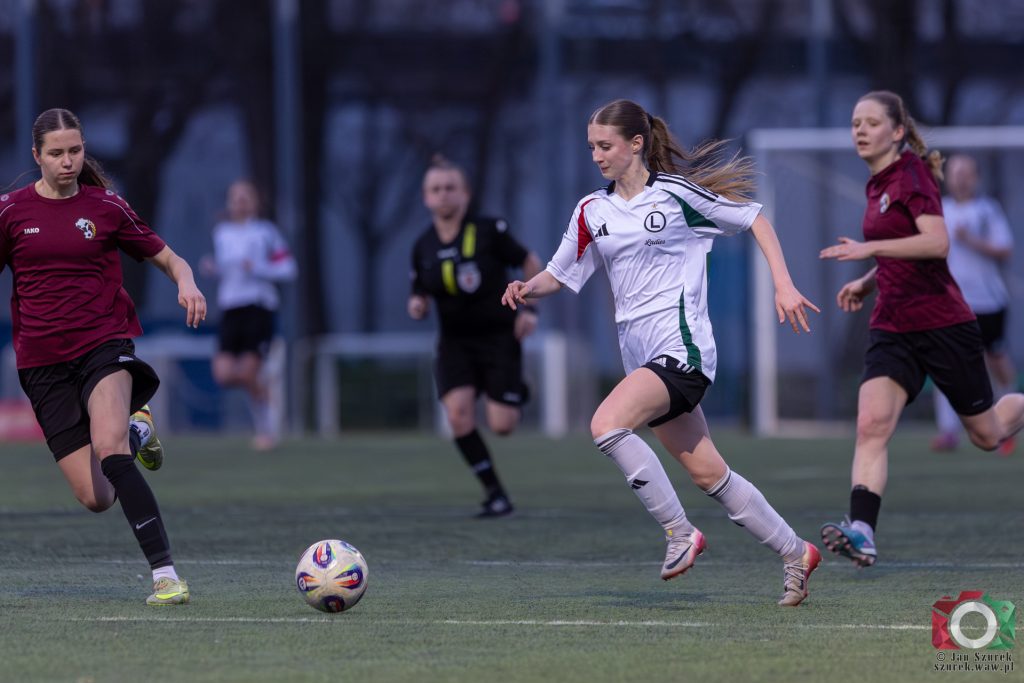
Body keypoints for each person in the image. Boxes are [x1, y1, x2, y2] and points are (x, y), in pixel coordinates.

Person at [501, 99, 822, 606]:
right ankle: (796, 552)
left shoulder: (675, 195)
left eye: (605, 146)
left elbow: (754, 218)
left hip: (683, 351)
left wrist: (783, 285)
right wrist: (526, 288)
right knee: (709, 474)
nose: (596, 156)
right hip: (643, 361)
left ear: (636, 143)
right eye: (591, 147)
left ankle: (680, 532)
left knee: (606, 424)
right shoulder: (592, 210)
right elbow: (559, 273)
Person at [0, 108, 207, 604]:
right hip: (41, 364)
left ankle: (165, 575)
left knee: (109, 449)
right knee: (96, 497)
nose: (67, 161)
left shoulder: (107, 207)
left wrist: (187, 282)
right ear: (37, 156)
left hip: (103, 346)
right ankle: (139, 429)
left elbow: (168, 257)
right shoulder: (10, 212)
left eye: (75, 151)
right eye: (56, 153)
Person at [819, 91, 1024, 568]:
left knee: (988, 435)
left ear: (897, 131)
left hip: (942, 323)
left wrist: (869, 251)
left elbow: (936, 243)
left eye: (872, 122)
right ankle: (862, 531)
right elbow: (900, 248)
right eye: (855, 122)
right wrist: (868, 282)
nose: (860, 130)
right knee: (871, 424)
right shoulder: (877, 182)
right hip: (892, 326)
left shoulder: (911, 176)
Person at [408, 155, 542, 518]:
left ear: (465, 193)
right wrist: (417, 304)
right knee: (458, 416)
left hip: (499, 337)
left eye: (450, 187)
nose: (443, 194)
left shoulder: (489, 230)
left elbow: (530, 261)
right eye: (436, 189)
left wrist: (530, 309)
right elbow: (418, 291)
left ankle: (517, 389)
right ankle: (495, 494)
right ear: (426, 197)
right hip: (455, 343)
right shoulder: (422, 246)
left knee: (502, 426)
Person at [931, 154, 1017, 455]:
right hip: (951, 303)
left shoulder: (987, 210)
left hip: (988, 301)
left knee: (996, 360)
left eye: (966, 173)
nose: (960, 179)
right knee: (945, 362)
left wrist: (971, 240)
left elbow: (1005, 249)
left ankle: (1008, 422)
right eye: (955, 173)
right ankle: (948, 431)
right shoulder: (938, 210)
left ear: (976, 178)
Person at [202, 180, 297, 450]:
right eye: (235, 197)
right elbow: (227, 270)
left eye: (245, 197)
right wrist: (213, 268)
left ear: (255, 202)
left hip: (258, 307)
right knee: (223, 374)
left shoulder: (266, 232)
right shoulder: (222, 233)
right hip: (230, 308)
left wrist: (257, 267)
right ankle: (263, 389)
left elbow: (289, 268)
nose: (240, 202)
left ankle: (265, 430)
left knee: (246, 373)